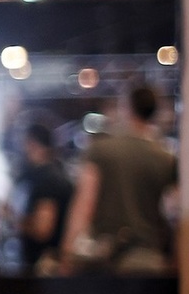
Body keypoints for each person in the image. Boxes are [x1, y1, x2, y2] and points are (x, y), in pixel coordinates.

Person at [63, 84, 178, 271]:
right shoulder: (166, 157)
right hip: (149, 258)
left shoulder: (101, 150)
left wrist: (67, 252)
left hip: (105, 260)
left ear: (126, 107)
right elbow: (175, 211)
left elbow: (84, 203)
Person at [15, 123, 72, 272]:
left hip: (45, 267)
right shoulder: (54, 173)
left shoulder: (47, 179)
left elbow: (43, 229)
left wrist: (15, 221)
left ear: (31, 143)